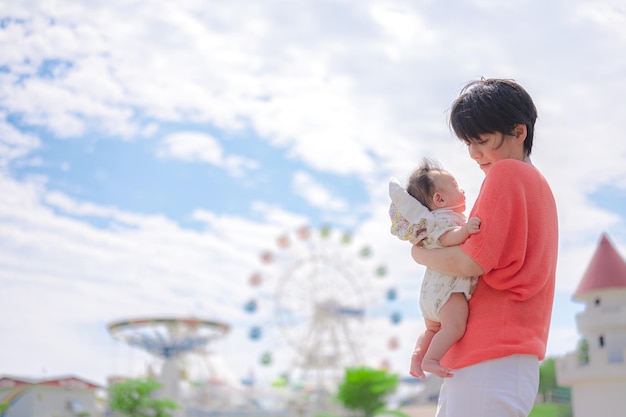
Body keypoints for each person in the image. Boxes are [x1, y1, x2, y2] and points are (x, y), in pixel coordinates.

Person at [410, 78, 558, 417]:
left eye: (483, 141)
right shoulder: (538, 185)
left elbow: (471, 261)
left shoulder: (506, 174)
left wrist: (420, 254)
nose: (476, 154)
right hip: (506, 355)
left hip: (489, 355)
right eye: (469, 145)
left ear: (519, 132)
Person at [388, 158, 480, 378]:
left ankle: (418, 355)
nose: (463, 190)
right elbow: (448, 239)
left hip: (431, 293)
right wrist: (466, 230)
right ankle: (431, 359)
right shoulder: (443, 220)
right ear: (439, 199)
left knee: (432, 329)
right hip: (447, 291)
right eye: (456, 187)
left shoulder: (430, 222)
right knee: (454, 328)